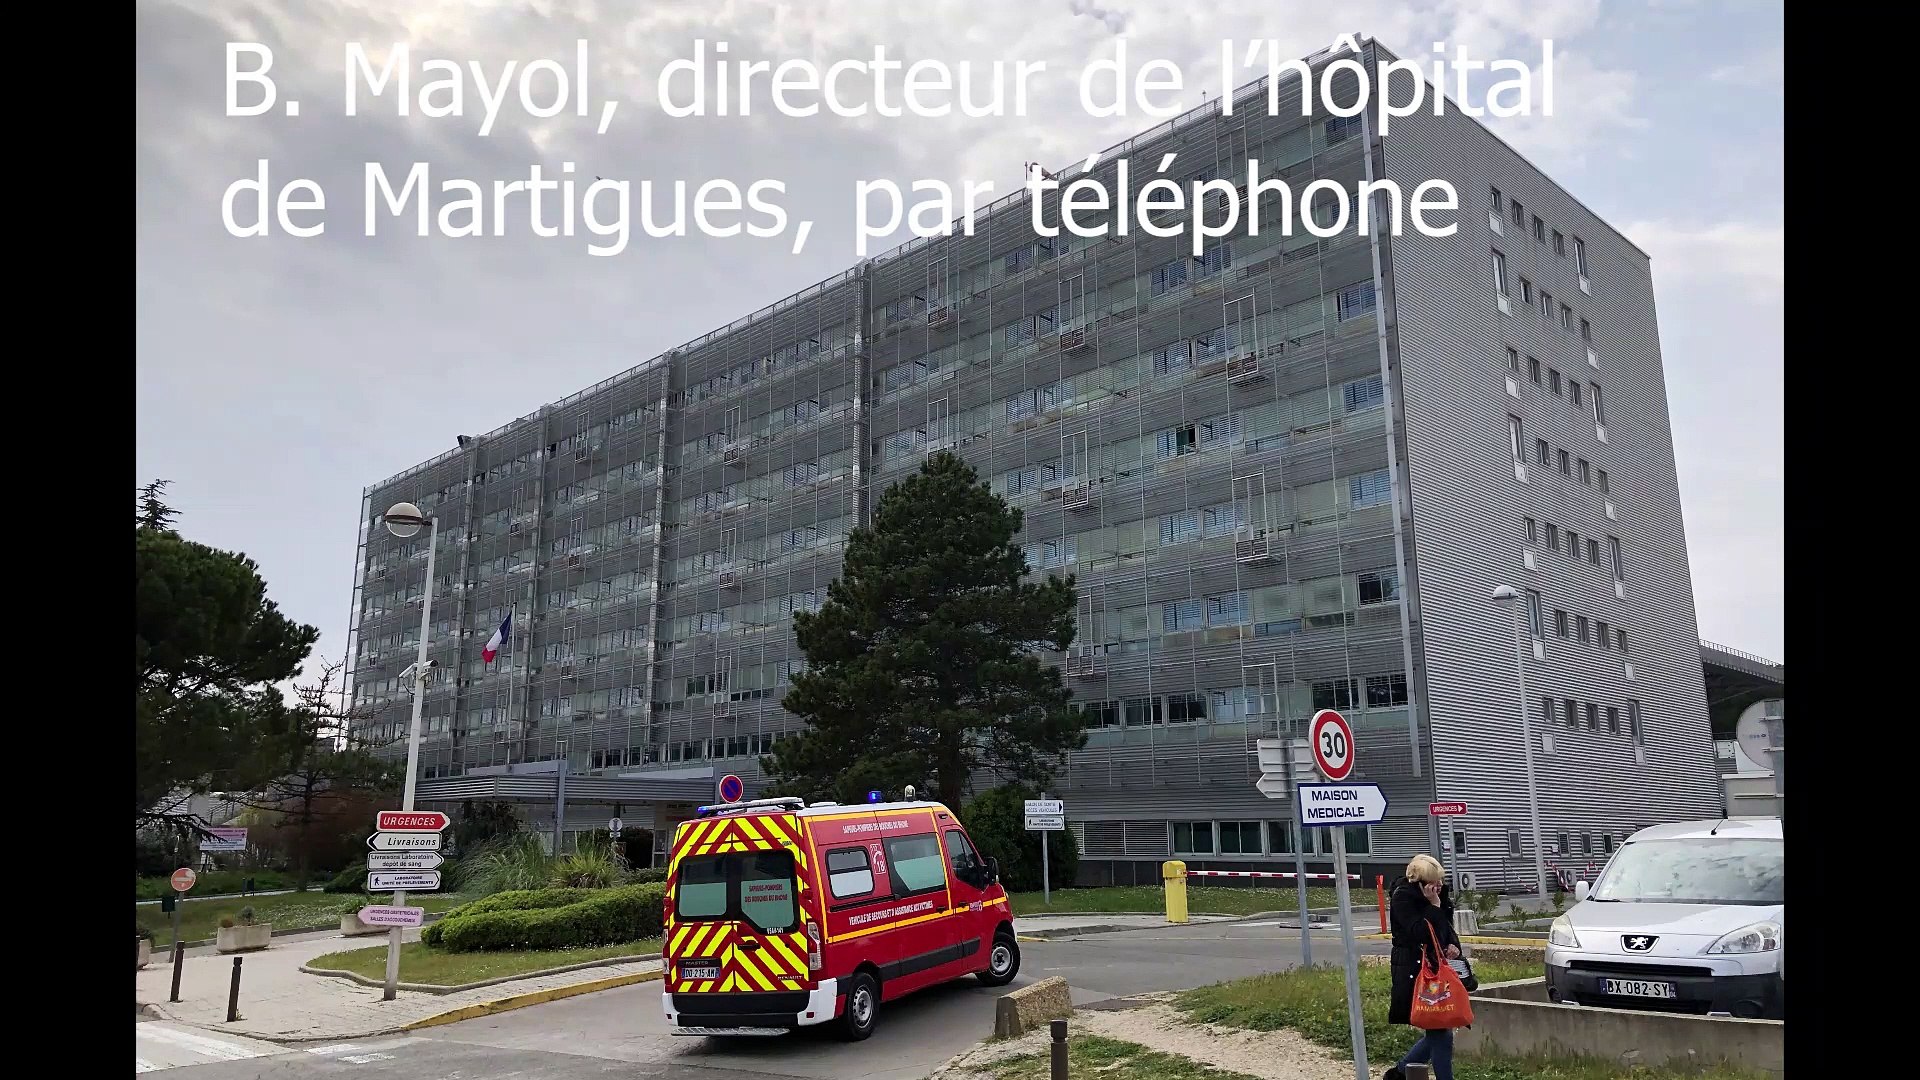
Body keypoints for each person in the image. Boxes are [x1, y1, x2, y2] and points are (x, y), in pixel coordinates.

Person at [1384, 854, 1464, 1080]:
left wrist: (1453, 944)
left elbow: (1446, 927)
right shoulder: (1403, 897)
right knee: (1440, 1030)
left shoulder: (1439, 895)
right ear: (1419, 882)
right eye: (1433, 882)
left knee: (1439, 1027)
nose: (1438, 886)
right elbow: (1418, 931)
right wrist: (1434, 906)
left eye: (1440, 881)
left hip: (1436, 966)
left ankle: (1400, 1073)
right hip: (1413, 968)